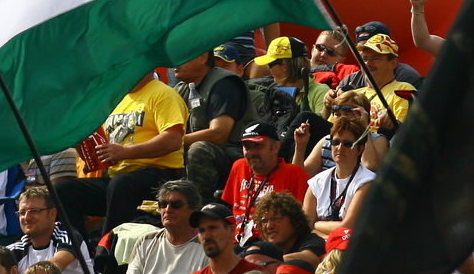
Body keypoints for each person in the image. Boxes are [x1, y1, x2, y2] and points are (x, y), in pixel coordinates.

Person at [56, 73, 188, 230]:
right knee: (63, 190)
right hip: (119, 180)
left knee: (121, 184)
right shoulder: (117, 101)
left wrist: (125, 152)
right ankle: (76, 244)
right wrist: (84, 148)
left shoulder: (163, 94)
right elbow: (105, 147)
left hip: (160, 176)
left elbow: (173, 140)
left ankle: (109, 243)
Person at [173, 50, 255, 202]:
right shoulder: (181, 89)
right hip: (194, 150)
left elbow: (219, 133)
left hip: (234, 153)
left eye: (181, 57)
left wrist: (173, 142)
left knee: (199, 149)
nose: (174, 63)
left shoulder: (224, 83)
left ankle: (197, 209)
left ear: (202, 57)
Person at [221, 123, 309, 244]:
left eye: (258, 146)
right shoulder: (239, 167)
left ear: (276, 147)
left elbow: (305, 219)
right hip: (236, 239)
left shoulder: (293, 174)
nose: (252, 152)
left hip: (269, 241)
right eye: (247, 147)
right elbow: (229, 208)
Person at [123, 181, 205, 274]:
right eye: (163, 204)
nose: (168, 209)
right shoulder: (146, 241)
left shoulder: (207, 246)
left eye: (176, 205)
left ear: (195, 210)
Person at [8, 186, 93, 274]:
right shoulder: (18, 248)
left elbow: (50, 269)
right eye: (22, 213)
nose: (26, 218)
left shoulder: (68, 236)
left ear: (52, 214)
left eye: (34, 211)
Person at [302, 117, 373, 241]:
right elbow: (305, 227)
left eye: (347, 144)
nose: (340, 148)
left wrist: (316, 224)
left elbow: (347, 227)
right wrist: (326, 237)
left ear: (360, 149)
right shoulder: (316, 182)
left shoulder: (367, 181)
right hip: (317, 244)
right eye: (335, 142)